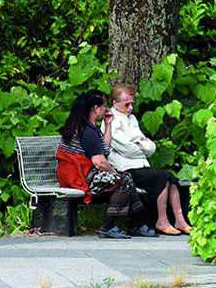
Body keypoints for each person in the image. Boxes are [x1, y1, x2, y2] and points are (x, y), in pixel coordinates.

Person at [56, 90, 153, 239]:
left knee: (125, 178)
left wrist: (108, 125)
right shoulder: (87, 131)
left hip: (77, 173)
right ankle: (109, 226)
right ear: (95, 108)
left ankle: (137, 223)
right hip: (79, 176)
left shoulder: (88, 126)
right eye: (103, 106)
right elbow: (99, 162)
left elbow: (104, 149)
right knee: (123, 180)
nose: (106, 109)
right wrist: (114, 172)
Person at [108, 83, 191, 235]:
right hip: (124, 170)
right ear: (115, 103)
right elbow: (126, 148)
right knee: (161, 177)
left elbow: (150, 147)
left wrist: (138, 145)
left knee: (170, 178)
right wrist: (140, 145)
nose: (130, 108)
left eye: (132, 103)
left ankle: (180, 220)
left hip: (141, 166)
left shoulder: (132, 119)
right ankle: (162, 221)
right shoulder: (111, 121)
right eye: (127, 104)